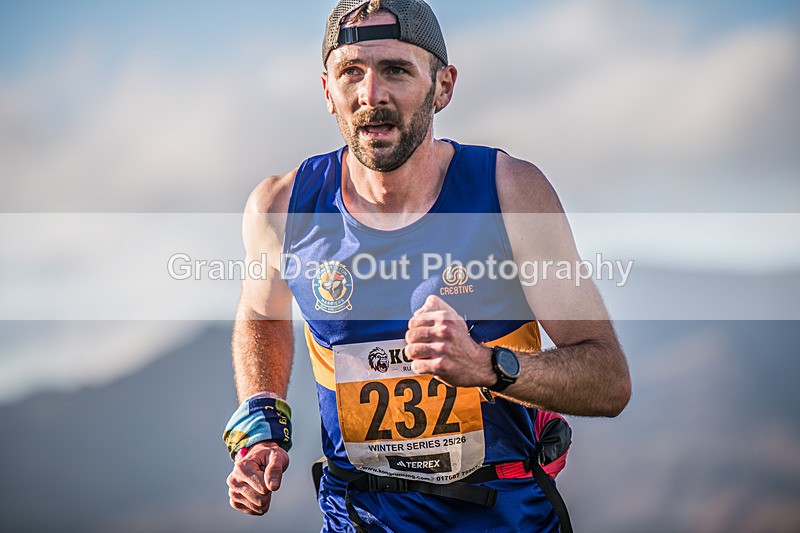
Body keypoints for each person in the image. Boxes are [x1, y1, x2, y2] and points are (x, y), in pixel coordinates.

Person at [223, 0, 631, 531]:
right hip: (358, 515)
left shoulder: (509, 194)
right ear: (328, 91)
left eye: (396, 70)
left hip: (501, 517)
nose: (372, 95)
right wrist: (262, 419)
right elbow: (261, 313)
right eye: (352, 72)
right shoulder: (283, 207)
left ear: (443, 86)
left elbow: (608, 380)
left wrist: (488, 367)